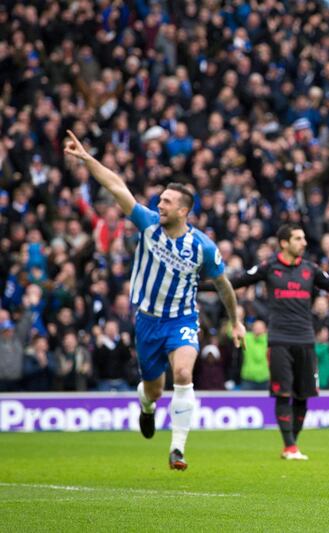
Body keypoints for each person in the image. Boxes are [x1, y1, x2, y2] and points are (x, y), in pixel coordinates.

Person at [64, 130, 246, 471]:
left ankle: (177, 449)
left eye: (165, 202)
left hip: (182, 319)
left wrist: (235, 320)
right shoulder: (148, 225)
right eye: (159, 200)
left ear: (183, 211)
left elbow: (223, 285)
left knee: (182, 372)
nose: (158, 205)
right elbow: (117, 187)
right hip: (147, 320)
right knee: (154, 391)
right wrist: (87, 159)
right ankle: (146, 408)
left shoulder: (203, 247)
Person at [201, 223, 329, 460]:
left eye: (304, 238)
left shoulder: (310, 269)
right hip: (279, 340)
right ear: (284, 243)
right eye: (298, 238)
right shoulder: (269, 268)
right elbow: (233, 284)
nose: (304, 243)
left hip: (306, 339)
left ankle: (292, 443)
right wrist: (194, 285)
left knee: (304, 394)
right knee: (283, 393)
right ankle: (289, 447)